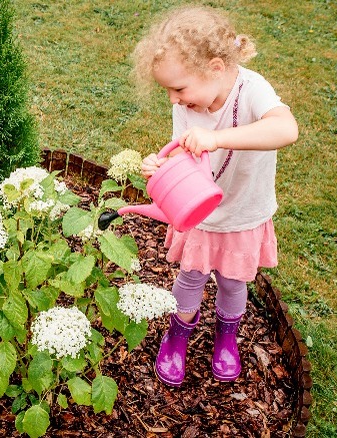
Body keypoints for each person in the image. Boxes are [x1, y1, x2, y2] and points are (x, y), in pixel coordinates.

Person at [131, 5, 298, 387]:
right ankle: (178, 337)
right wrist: (161, 165)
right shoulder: (189, 105)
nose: (174, 99)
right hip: (202, 215)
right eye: (169, 91)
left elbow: (286, 129)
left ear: (216, 68)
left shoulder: (253, 90)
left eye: (179, 88)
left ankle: (226, 339)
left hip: (242, 213)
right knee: (189, 277)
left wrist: (217, 138)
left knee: (232, 283)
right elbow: (182, 150)